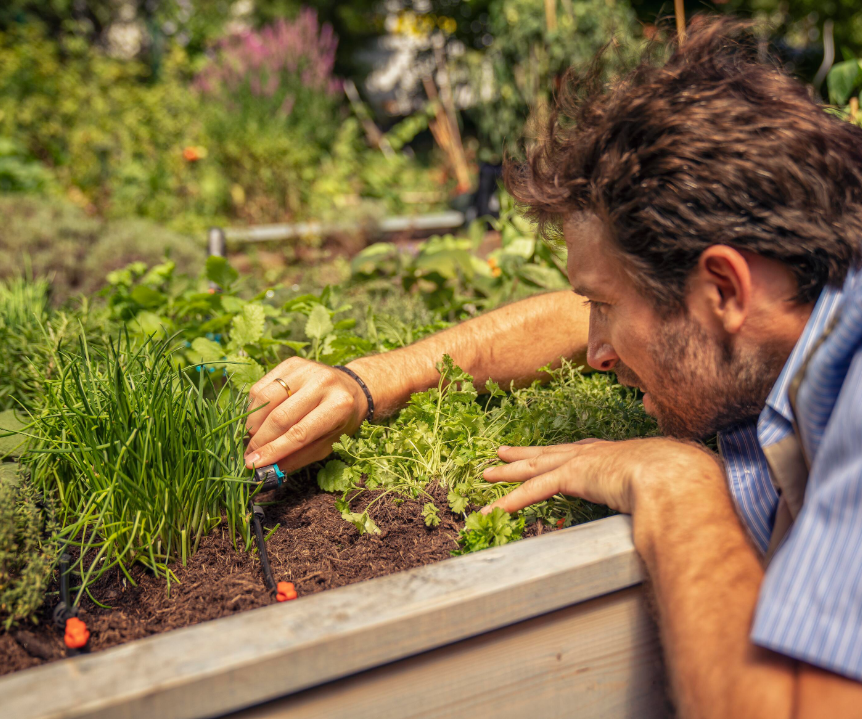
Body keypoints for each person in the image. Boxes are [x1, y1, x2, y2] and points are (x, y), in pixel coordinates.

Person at [245, 18, 862, 717]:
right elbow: (571, 322)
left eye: (607, 304)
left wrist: (678, 484)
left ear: (722, 289)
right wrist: (373, 379)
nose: (596, 352)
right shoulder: (791, 300)